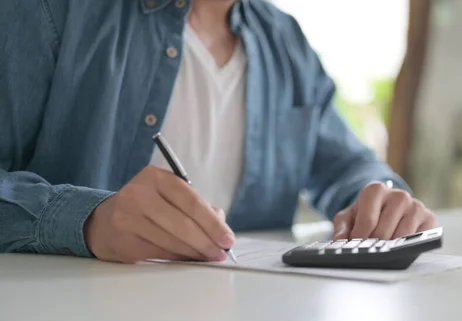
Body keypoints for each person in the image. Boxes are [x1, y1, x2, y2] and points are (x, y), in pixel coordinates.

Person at [0, 0, 435, 264]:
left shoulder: (285, 40)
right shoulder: (49, 12)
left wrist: (379, 200)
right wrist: (89, 222)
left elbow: (348, 166)